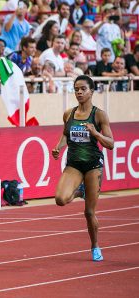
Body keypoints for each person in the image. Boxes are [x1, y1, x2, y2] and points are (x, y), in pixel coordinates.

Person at [52, 75, 114, 262]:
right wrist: (58, 147)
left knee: (89, 212)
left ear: (91, 91)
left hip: (93, 165)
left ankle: (95, 246)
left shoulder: (99, 114)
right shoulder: (68, 114)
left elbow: (110, 143)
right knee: (60, 199)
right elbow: (65, 134)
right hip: (74, 164)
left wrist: (95, 132)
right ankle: (80, 191)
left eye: (82, 89)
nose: (79, 92)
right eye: (76, 89)